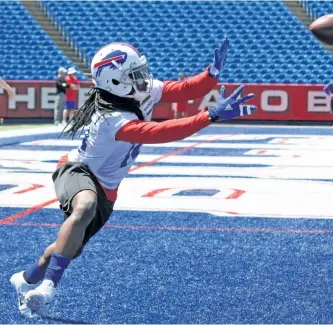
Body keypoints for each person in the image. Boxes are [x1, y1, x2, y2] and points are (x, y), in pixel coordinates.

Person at [10, 39, 256, 317]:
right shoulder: (111, 117)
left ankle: (25, 279)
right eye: (134, 74)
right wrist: (208, 116)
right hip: (78, 170)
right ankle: (48, 288)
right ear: (115, 81)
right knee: (85, 206)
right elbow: (160, 133)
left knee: (66, 248)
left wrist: (210, 75)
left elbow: (181, 89)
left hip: (108, 187)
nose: (143, 78)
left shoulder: (135, 91)